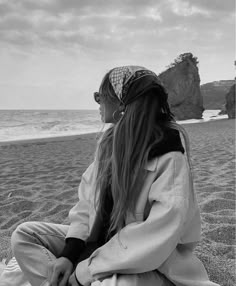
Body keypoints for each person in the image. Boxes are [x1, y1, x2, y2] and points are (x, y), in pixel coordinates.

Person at [10, 66, 220, 286]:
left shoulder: (170, 158)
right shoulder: (109, 146)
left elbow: (155, 236)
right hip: (98, 244)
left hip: (148, 261)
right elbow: (86, 205)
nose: (98, 103)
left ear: (121, 103)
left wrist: (84, 272)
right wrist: (69, 255)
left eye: (100, 96)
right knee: (25, 235)